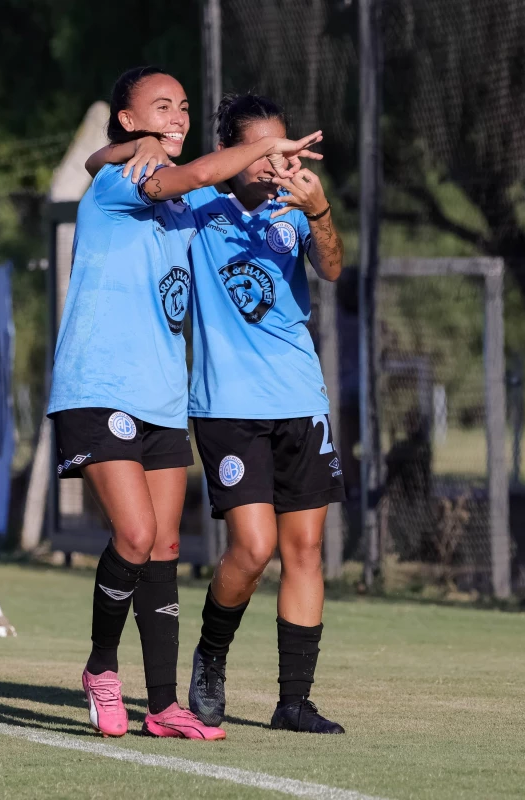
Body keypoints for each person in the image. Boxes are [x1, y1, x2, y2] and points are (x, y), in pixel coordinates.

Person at [49, 66, 322, 741]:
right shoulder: (124, 182)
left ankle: (165, 703)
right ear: (128, 117)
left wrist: (284, 183)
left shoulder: (177, 200)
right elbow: (183, 172)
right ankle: (102, 668)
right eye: (160, 107)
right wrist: (260, 147)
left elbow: (201, 184)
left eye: (183, 108)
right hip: (98, 386)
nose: (176, 117)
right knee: (135, 537)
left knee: (165, 548)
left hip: (164, 397)